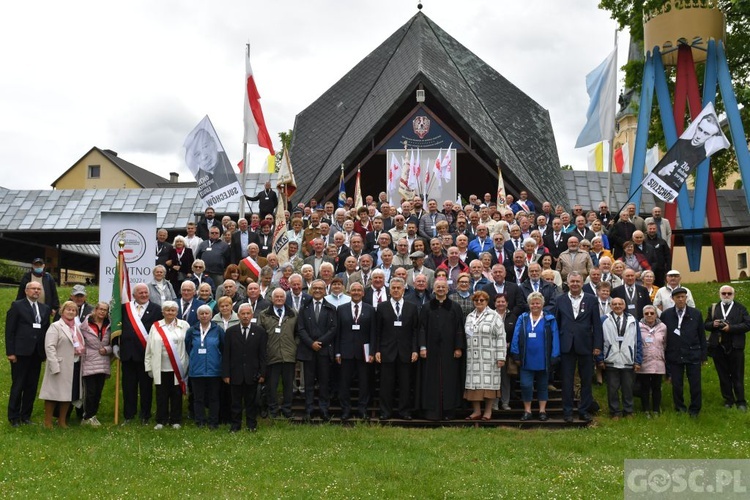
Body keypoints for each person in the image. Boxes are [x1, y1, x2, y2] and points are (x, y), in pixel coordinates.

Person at [555, 272, 603, 423]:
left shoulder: (592, 300)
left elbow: (597, 324)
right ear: (567, 283)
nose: (575, 284)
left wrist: (597, 345)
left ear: (582, 283)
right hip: (566, 345)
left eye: (577, 281)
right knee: (567, 380)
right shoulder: (560, 300)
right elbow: (556, 324)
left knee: (586, 379)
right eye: (572, 281)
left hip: (586, 345)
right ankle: (568, 412)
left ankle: (584, 410)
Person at [115, 283, 163, 425]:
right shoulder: (125, 309)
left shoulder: (156, 309)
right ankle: (129, 416)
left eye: (145, 292)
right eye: (140, 293)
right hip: (128, 355)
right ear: (134, 295)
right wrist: (115, 345)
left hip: (145, 355)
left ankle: (145, 416)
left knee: (146, 387)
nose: (143, 295)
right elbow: (116, 328)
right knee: (128, 387)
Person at [418, 278, 465, 420]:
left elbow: (459, 329)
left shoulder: (455, 307)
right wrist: (422, 347)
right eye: (438, 287)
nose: (440, 289)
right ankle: (432, 412)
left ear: (448, 289)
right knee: (430, 380)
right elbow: (421, 328)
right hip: (430, 350)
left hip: (449, 351)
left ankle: (448, 411)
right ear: (433, 289)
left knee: (449, 380)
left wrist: (458, 347)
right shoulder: (427, 307)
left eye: (443, 287)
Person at [510, 292, 560, 421]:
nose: (535, 305)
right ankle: (527, 411)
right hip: (526, 358)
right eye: (533, 303)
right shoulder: (523, 318)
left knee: (543, 385)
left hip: (543, 358)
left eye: (538, 303)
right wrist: (515, 353)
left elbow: (555, 337)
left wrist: (555, 355)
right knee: (526, 385)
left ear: (542, 304)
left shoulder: (549, 319)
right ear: (529, 304)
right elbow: (516, 335)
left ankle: (542, 411)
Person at [38, 300, 85, 429]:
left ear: (76, 313)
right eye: (68, 309)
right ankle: (47, 422)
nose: (71, 312)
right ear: (62, 311)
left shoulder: (77, 328)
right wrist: (54, 365)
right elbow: (49, 346)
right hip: (59, 365)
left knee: (68, 394)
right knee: (52, 394)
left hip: (74, 364)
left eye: (74, 310)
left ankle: (62, 421)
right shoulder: (56, 326)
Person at [144, 301, 189, 429]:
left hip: (178, 368)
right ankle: (161, 420)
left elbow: (188, 345)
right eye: (167, 310)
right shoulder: (155, 326)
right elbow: (149, 348)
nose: (170, 312)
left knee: (176, 394)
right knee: (161, 395)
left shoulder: (184, 325)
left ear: (177, 312)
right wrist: (148, 366)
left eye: (173, 310)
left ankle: (176, 420)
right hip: (160, 367)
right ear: (163, 312)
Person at [223, 303, 267, 432]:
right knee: (235, 403)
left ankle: (251, 426)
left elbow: (263, 355)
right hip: (235, 373)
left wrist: (263, 373)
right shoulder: (231, 332)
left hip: (252, 374)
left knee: (251, 402)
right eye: (243, 314)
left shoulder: (260, 332)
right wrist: (226, 374)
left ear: (252, 315)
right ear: (238, 315)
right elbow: (226, 354)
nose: (245, 316)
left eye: (248, 314)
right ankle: (235, 426)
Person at [661, 287, 706, 417]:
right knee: (677, 384)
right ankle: (679, 407)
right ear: (672, 299)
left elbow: (701, 335)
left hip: (693, 353)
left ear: (686, 298)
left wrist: (703, 355)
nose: (680, 299)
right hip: (674, 354)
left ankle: (695, 409)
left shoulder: (696, 313)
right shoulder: (666, 314)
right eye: (677, 297)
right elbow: (664, 336)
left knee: (695, 383)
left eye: (683, 297)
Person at [296, 280, 337, 421]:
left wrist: (320, 343)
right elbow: (300, 328)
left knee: (324, 382)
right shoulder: (304, 308)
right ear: (311, 290)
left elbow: (333, 329)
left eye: (321, 288)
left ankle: (324, 409)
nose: (318, 290)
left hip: (324, 351)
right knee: (308, 383)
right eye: (315, 288)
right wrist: (311, 343)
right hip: (308, 351)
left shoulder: (330, 308)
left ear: (325, 290)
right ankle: (309, 409)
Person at [704, 286, 750, 411]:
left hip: (736, 346)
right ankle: (728, 400)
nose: (726, 295)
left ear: (733, 294)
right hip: (718, 347)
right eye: (724, 293)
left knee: (737, 375)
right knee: (723, 375)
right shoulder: (714, 308)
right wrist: (713, 324)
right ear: (720, 294)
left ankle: (741, 401)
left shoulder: (740, 308)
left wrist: (731, 328)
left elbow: (747, 324)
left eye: (729, 293)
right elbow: (706, 324)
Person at [335, 282, 376, 420]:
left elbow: (373, 333)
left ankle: (362, 409)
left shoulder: (370, 310)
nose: (357, 292)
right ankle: (345, 409)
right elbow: (338, 332)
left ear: (363, 293)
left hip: (363, 352)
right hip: (345, 351)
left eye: (359, 290)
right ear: (349, 292)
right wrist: (337, 352)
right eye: (354, 290)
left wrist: (372, 352)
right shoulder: (341, 309)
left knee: (364, 383)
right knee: (344, 383)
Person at [463, 290, 505, 421]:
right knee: (474, 386)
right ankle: (476, 411)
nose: (479, 303)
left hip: (489, 357)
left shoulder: (494, 316)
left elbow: (501, 337)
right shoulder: (470, 316)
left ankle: (487, 412)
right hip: (472, 357)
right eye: (476, 300)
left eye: (482, 300)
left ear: (487, 302)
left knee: (489, 386)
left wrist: (501, 357)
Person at [598, 297, 642, 419]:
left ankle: (628, 411)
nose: (617, 306)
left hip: (628, 359)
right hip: (611, 359)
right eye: (614, 304)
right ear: (611, 306)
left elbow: (638, 341)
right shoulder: (604, 320)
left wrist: (638, 360)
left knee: (628, 388)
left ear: (624, 306)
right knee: (612, 389)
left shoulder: (633, 320)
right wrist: (600, 358)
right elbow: (599, 340)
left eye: (620, 304)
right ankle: (615, 412)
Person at [258, 288, 299, 419]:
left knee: (288, 385)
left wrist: (294, 345)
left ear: (285, 298)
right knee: (272, 386)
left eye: (282, 297)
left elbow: (298, 333)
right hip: (272, 355)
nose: (279, 299)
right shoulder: (264, 314)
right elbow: (260, 334)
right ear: (272, 298)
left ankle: (287, 409)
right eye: (277, 297)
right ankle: (273, 410)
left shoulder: (293, 313)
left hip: (289, 356)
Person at [185, 304, 224, 429]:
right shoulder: (192, 330)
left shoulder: (218, 330)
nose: (204, 315)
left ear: (211, 315)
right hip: (197, 370)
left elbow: (222, 348)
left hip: (214, 370)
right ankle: (200, 421)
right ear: (197, 316)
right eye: (201, 313)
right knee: (198, 398)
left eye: (207, 313)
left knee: (213, 398)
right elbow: (188, 347)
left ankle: (213, 421)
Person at [79, 302, 112, 427]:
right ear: (95, 310)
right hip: (89, 360)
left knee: (98, 391)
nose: (102, 312)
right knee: (90, 391)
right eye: (101, 309)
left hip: (103, 361)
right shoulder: (85, 325)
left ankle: (93, 415)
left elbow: (112, 343)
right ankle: (87, 416)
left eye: (105, 310)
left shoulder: (109, 325)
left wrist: (107, 350)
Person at [185, 127, 237, 192]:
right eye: (197, 154)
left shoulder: (233, 164)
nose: (204, 157)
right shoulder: (200, 180)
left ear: (214, 142)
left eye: (205, 146)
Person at [638, 305, 667, 415]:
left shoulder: (663, 327)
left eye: (652, 313)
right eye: (646, 313)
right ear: (643, 315)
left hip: (658, 361)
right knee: (644, 387)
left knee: (657, 387)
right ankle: (645, 409)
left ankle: (656, 409)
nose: (649, 315)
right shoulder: (638, 326)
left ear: (656, 314)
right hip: (644, 361)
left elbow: (665, 343)